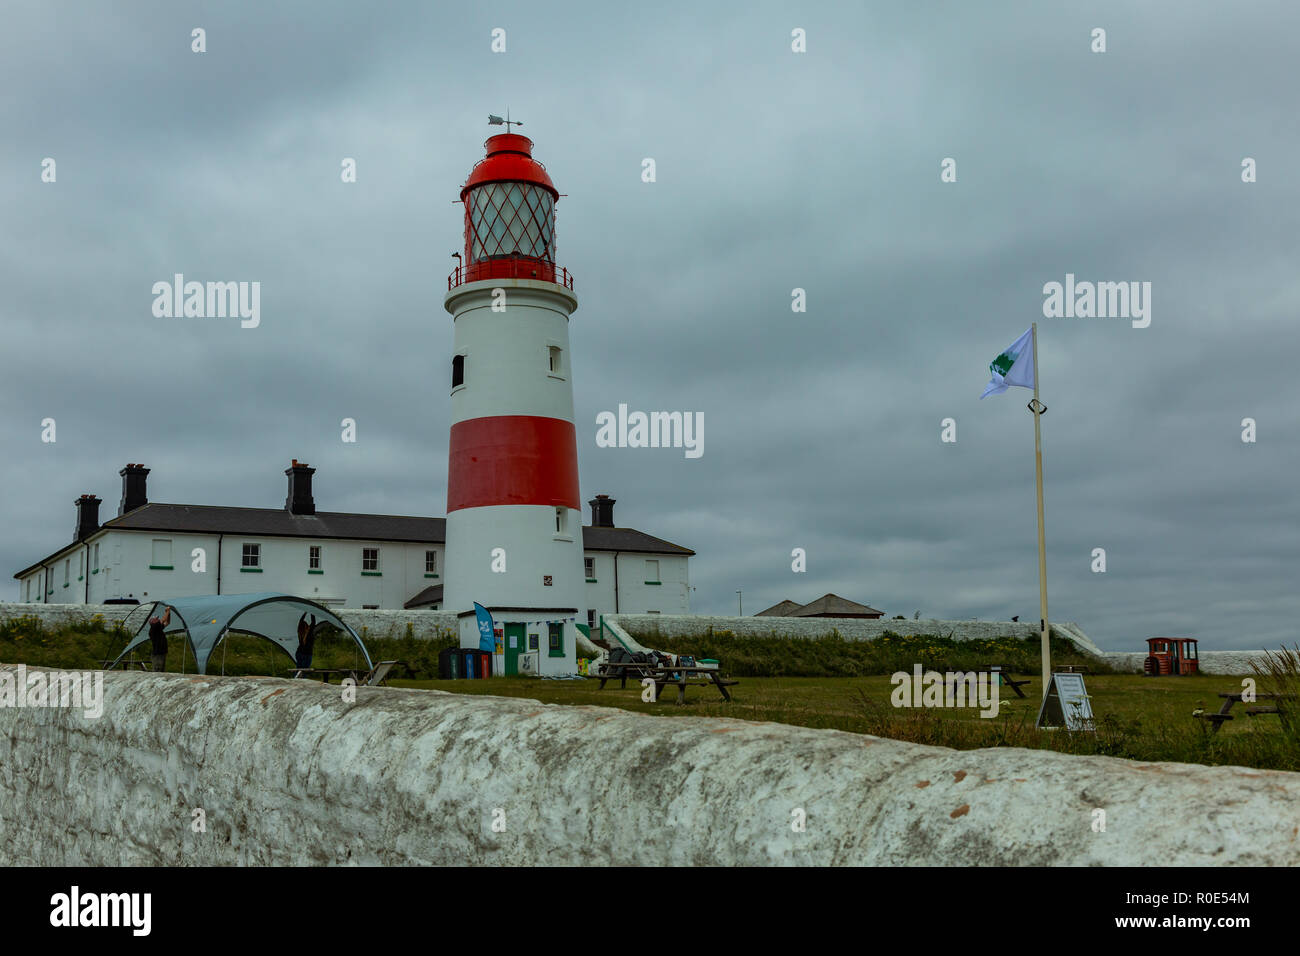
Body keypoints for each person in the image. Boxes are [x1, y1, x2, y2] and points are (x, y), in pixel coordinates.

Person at [148, 605, 171, 673]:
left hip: (162, 652)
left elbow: (167, 622)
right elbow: (163, 619)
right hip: (157, 654)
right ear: (152, 622)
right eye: (156, 619)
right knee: (157, 670)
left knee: (161, 670)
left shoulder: (158, 628)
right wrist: (167, 611)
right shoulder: (154, 628)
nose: (158, 619)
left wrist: (169, 614)